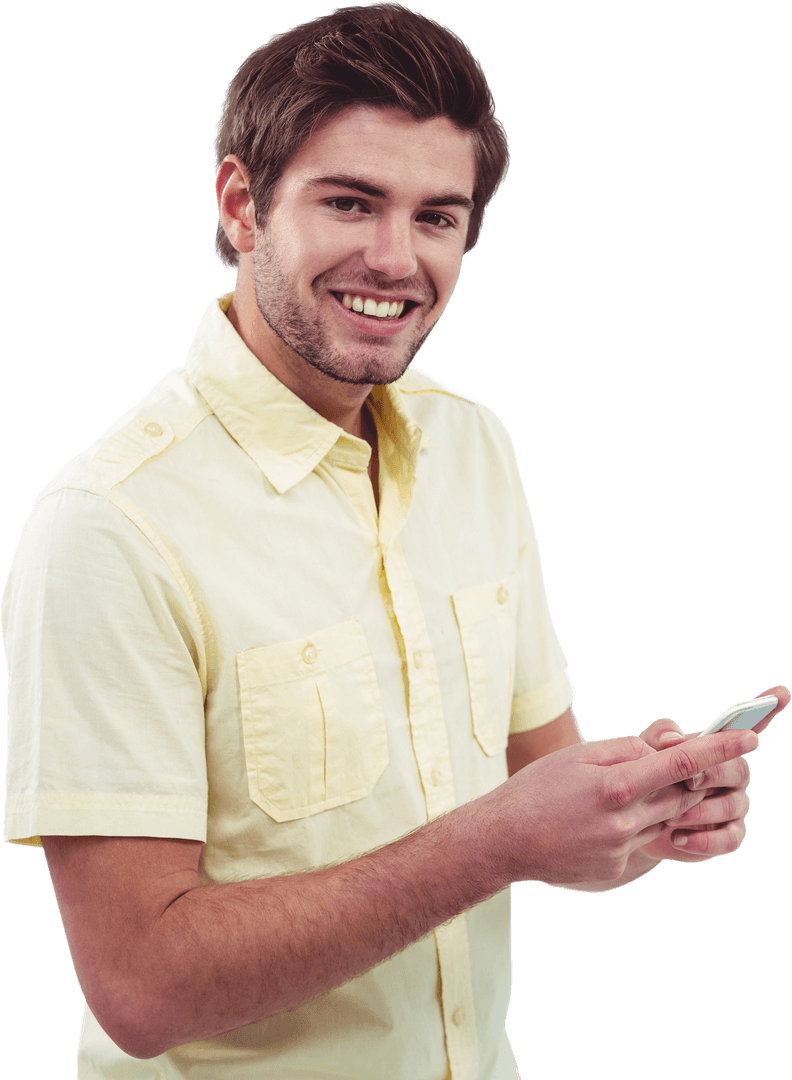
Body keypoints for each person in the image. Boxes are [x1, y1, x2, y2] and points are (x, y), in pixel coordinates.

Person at [2, 4, 788, 1079]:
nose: (394, 258)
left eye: (437, 216)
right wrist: (498, 841)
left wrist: (636, 814)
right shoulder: (109, 527)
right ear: (241, 204)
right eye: (350, 202)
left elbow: (539, 790)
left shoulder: (475, 446)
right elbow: (141, 988)